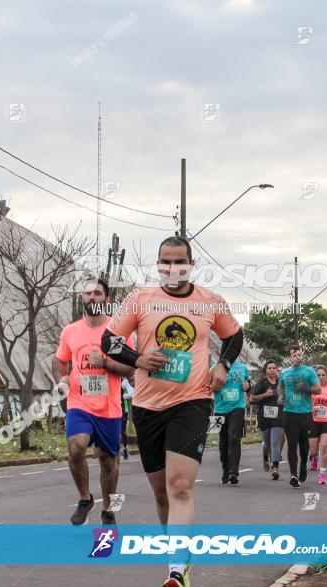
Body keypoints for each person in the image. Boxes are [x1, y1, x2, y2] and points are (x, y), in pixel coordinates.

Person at [100, 236, 242, 587]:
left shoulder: (209, 302)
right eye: (165, 261)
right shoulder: (140, 300)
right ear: (158, 264)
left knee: (179, 485)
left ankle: (176, 570)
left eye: (179, 261)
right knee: (161, 492)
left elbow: (234, 336)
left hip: (192, 402)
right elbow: (108, 341)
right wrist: (138, 359)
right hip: (147, 406)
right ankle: (177, 556)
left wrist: (222, 365)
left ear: (191, 264)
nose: (172, 267)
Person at [53, 278, 135, 526]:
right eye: (87, 293)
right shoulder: (70, 331)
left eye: (97, 293)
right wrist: (62, 379)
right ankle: (85, 498)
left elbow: (131, 367)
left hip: (109, 406)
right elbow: (60, 360)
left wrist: (106, 363)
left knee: (108, 460)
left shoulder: (117, 331)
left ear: (106, 300)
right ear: (83, 299)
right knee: (76, 448)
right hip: (79, 402)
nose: (91, 297)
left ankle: (108, 510)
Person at [278, 345, 321, 488]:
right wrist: (280, 396)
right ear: (289, 357)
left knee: (303, 445)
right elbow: (280, 386)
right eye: (294, 355)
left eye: (299, 354)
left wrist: (305, 389)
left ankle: (303, 465)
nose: (297, 356)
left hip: (305, 413)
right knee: (291, 444)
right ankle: (293, 475)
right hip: (289, 413)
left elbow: (318, 390)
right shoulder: (285, 372)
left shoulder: (309, 371)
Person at [214, 359, 250, 485]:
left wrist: (247, 386)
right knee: (223, 440)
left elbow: (248, 384)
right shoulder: (215, 367)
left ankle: (233, 472)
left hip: (238, 407)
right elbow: (208, 386)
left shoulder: (242, 367)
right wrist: (214, 386)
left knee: (234, 437)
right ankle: (225, 468)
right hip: (219, 408)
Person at [249, 360, 284, 480]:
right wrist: (264, 395)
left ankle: (275, 467)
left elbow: (287, 398)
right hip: (264, 416)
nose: (272, 370)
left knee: (275, 442)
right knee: (267, 444)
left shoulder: (281, 383)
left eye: (274, 368)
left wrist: (282, 399)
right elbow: (251, 400)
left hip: (279, 416)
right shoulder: (261, 383)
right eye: (269, 368)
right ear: (265, 370)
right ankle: (265, 457)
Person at [121, 377, 135, 460]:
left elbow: (132, 393)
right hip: (112, 408)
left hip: (123, 409)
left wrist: (122, 396)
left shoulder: (124, 381)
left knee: (122, 431)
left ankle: (125, 448)